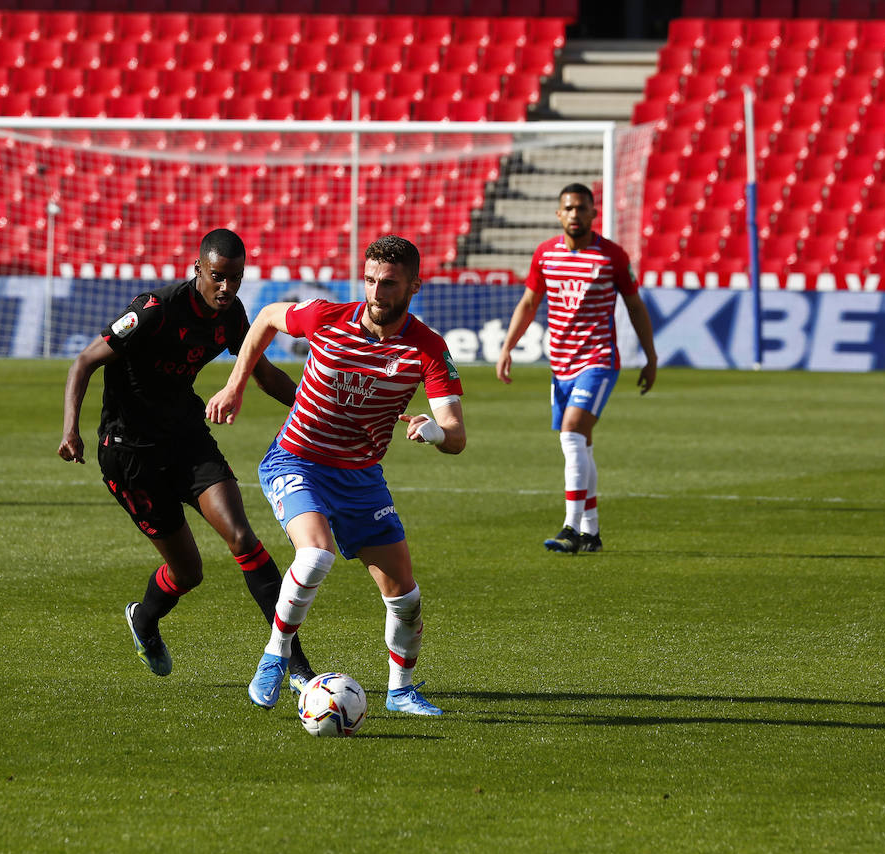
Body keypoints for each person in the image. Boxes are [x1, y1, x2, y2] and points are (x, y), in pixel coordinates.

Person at [206, 235, 466, 717]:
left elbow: (456, 435)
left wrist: (433, 432)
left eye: (388, 283)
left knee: (406, 598)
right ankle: (275, 656)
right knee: (316, 553)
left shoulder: (428, 348)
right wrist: (235, 384)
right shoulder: (328, 317)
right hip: (296, 459)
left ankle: (401, 691)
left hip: (361, 477)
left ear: (414, 285)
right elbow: (264, 318)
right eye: (369, 280)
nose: (375, 292)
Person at [58, 228, 317, 688]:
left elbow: (264, 374)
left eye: (235, 278)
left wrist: (316, 408)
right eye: (218, 276)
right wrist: (70, 431)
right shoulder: (153, 310)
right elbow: (84, 362)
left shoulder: (233, 316)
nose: (226, 288)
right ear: (198, 268)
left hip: (186, 440)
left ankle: (295, 666)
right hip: (129, 453)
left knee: (242, 537)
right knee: (188, 572)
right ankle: (144, 620)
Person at [495, 183, 658, 554]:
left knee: (571, 434)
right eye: (568, 208)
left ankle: (570, 526)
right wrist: (507, 347)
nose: (575, 214)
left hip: (598, 360)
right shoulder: (546, 255)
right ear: (558, 214)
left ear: (593, 213)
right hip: (560, 362)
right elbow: (529, 302)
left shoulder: (612, 256)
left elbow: (635, 307)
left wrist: (650, 356)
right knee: (580, 444)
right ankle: (592, 533)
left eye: (582, 208)